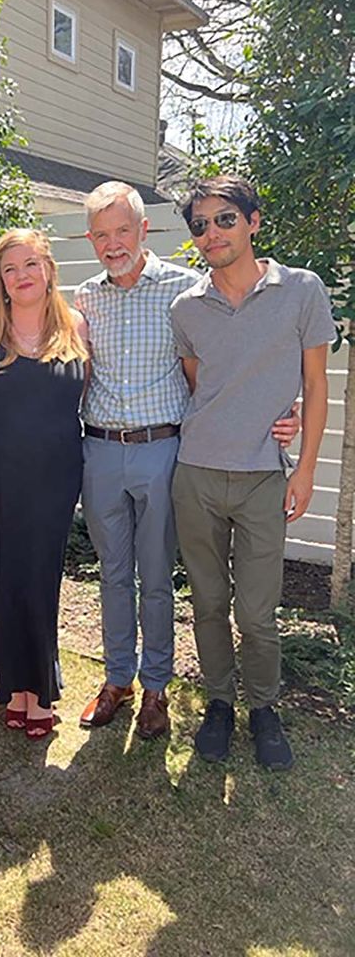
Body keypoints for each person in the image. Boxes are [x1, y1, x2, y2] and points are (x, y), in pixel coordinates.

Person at [75, 182, 299, 740]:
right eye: (101, 234)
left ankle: (156, 688)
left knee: (155, 576)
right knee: (112, 575)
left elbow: (224, 370)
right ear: (91, 241)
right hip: (100, 449)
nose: (112, 243)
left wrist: (278, 411)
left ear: (143, 230)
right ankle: (117, 679)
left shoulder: (186, 292)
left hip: (164, 450)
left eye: (122, 230)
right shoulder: (84, 298)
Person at [171, 175, 335, 771]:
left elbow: (317, 387)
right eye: (200, 225)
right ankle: (218, 703)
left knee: (258, 612)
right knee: (209, 602)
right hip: (196, 476)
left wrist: (305, 468)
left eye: (224, 220)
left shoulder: (301, 291)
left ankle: (264, 709)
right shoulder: (185, 307)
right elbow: (201, 385)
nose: (211, 233)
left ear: (253, 222)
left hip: (267, 476)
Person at [0, 229, 88, 737]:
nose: (21, 276)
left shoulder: (76, 326)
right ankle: (16, 687)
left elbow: (90, 395)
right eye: (10, 269)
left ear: (49, 268)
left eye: (30, 264)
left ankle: (38, 687)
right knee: (0, 575)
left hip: (54, 477)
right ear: (1, 279)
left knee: (39, 578)